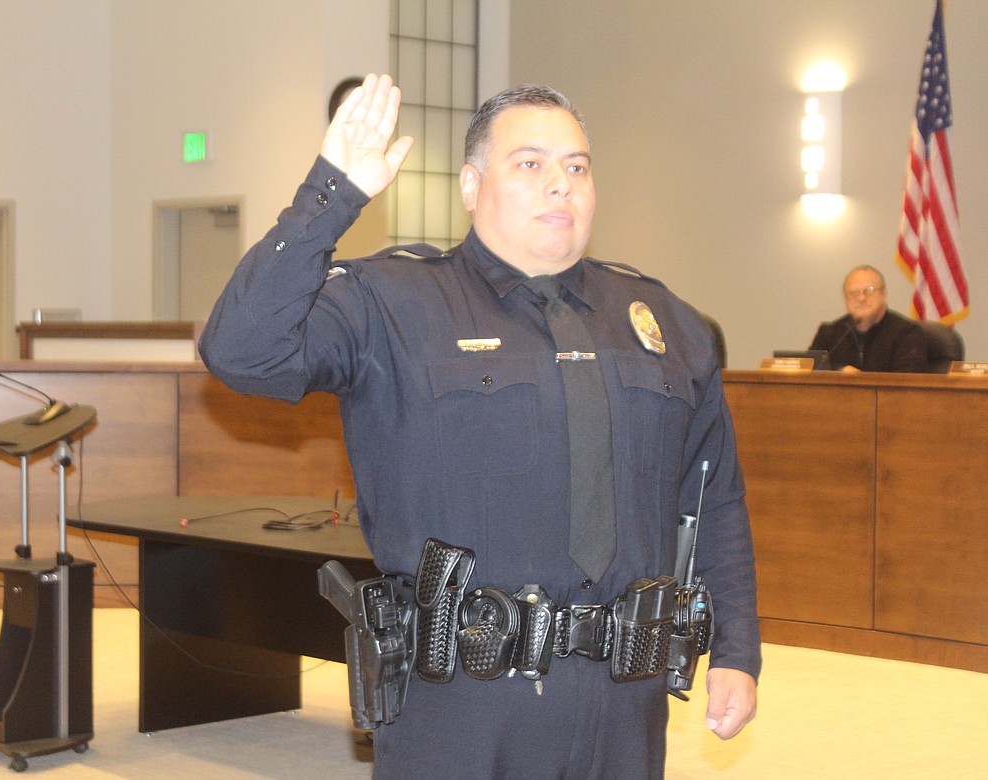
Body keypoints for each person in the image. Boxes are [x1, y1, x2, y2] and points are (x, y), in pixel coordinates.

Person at [200, 74, 760, 778]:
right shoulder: (393, 301)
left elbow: (712, 497)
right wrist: (332, 191)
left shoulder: (663, 320)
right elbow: (242, 351)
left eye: (577, 167)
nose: (561, 184)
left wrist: (738, 647)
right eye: (530, 164)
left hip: (623, 700)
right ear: (471, 186)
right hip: (460, 701)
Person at [809, 265, 927, 372]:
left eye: (869, 291)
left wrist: (861, 380)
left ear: (884, 294)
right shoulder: (828, 333)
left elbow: (906, 383)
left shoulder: (907, 333)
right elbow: (809, 372)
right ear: (845, 298)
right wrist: (839, 371)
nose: (861, 298)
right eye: (853, 292)